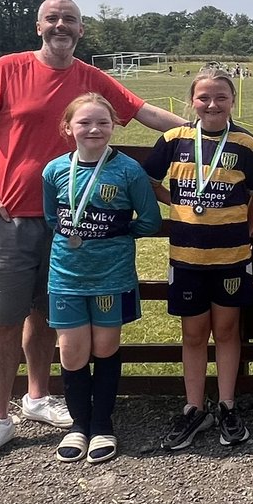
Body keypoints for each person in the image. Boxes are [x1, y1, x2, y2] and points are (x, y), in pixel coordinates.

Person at [0, 0, 182, 470]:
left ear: (81, 30)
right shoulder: (7, 68)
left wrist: (208, 131)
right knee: (2, 320)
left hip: (72, 232)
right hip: (13, 216)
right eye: (53, 18)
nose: (61, 25)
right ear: (38, 24)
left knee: (46, 317)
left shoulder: (91, 78)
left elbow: (146, 115)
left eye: (71, 19)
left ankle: (37, 397)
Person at [144, 66, 253, 450]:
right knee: (194, 334)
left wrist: (242, 234)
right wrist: (179, 204)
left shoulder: (246, 144)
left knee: (228, 331)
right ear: (192, 101)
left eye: (221, 97)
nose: (212, 104)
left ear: (233, 101)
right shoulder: (173, 138)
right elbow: (149, 182)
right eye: (204, 98)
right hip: (186, 256)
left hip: (231, 255)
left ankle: (227, 405)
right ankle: (194, 408)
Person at [41, 94, 161, 464]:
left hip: (113, 275)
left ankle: (102, 424)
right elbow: (51, 218)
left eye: (102, 123)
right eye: (84, 123)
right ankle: (80, 425)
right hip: (66, 275)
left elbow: (151, 220)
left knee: (105, 348)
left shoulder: (128, 170)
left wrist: (117, 232)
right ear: (68, 128)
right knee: (72, 351)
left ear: (114, 126)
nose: (94, 129)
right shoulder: (54, 170)